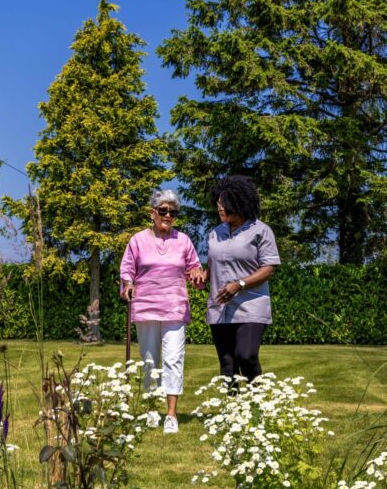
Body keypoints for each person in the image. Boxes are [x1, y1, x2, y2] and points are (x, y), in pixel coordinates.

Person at [119, 189, 204, 434]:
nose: (168, 215)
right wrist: (128, 284)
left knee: (173, 359)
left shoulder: (184, 241)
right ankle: (150, 410)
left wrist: (197, 275)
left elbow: (195, 269)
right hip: (145, 307)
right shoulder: (137, 240)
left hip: (175, 307)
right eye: (163, 210)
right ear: (152, 212)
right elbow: (127, 269)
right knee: (149, 362)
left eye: (173, 212)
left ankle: (171, 415)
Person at [205, 175, 280, 384]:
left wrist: (240, 284)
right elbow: (213, 265)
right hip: (219, 307)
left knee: (246, 356)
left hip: (251, 306)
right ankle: (232, 404)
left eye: (225, 204)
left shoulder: (260, 230)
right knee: (227, 365)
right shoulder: (215, 233)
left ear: (240, 203)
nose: (220, 208)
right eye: (219, 203)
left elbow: (269, 268)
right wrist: (202, 275)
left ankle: (257, 401)